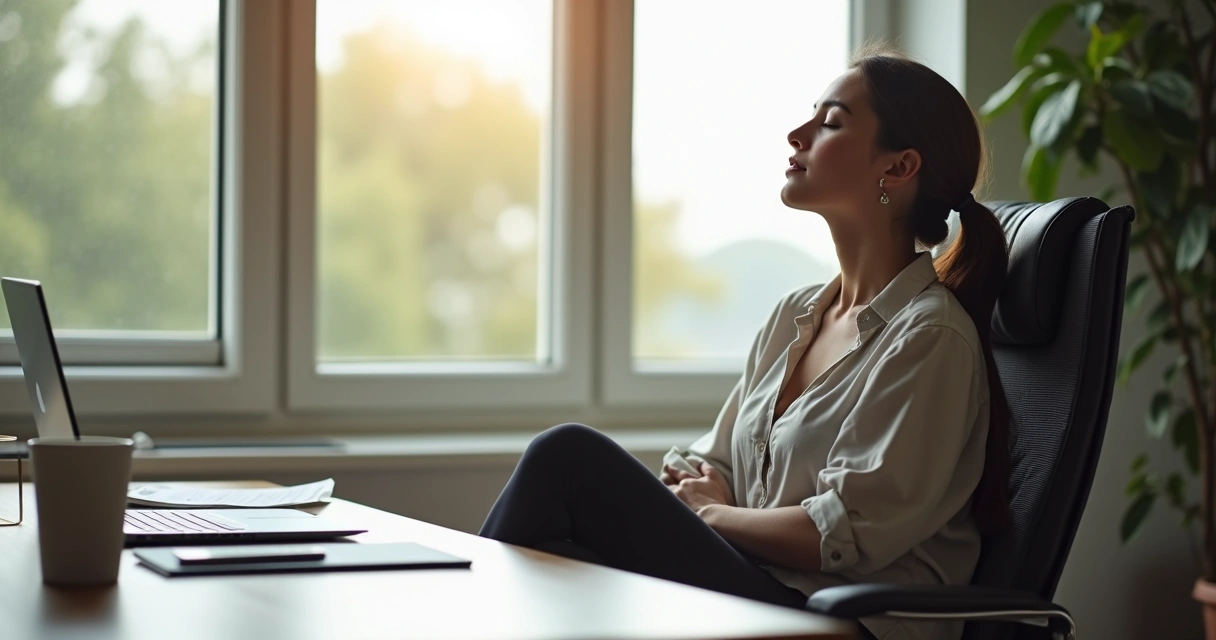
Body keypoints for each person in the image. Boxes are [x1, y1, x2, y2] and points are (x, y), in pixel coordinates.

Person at [479, 46, 1011, 640]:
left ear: (897, 168)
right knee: (557, 560)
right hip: (761, 588)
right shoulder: (796, 316)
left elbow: (842, 534)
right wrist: (710, 498)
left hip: (838, 621)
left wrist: (713, 513)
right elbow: (706, 464)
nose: (797, 133)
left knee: (567, 457)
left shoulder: (929, 338)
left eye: (831, 122)